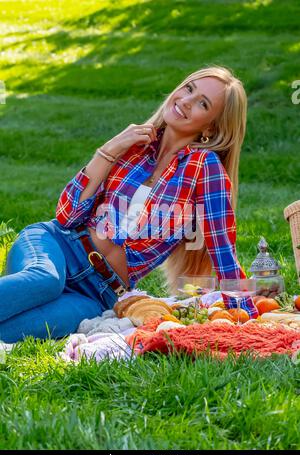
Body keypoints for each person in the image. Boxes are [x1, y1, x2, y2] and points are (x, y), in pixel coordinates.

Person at [0, 65, 258, 343]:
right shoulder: (135, 144)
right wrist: (110, 149)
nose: (186, 101)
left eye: (202, 103)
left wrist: (250, 320)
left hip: (97, 293)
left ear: (212, 126)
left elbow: (223, 248)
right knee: (45, 280)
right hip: (56, 247)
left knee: (22, 329)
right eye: (189, 88)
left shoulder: (204, 168)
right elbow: (66, 217)